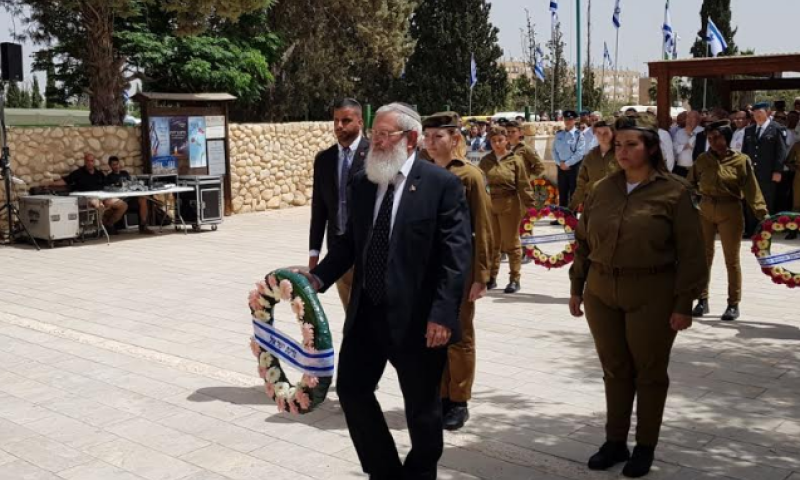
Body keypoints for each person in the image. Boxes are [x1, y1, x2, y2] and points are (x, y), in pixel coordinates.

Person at [306, 103, 471, 480]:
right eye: (375, 134)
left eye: (384, 135)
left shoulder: (441, 185)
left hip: (419, 321)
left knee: (422, 410)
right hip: (368, 313)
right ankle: (384, 471)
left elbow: (455, 257)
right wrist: (318, 278)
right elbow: (349, 244)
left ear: (410, 140)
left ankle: (419, 472)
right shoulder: (365, 182)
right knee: (351, 390)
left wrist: (443, 315)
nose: (375, 141)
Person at [569, 115, 707, 478]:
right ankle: (615, 442)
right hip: (601, 291)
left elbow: (693, 253)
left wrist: (684, 304)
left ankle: (645, 446)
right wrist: (576, 287)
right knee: (614, 370)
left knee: (648, 372)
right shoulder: (601, 188)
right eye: (618, 144)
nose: (623, 151)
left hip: (652, 292)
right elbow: (583, 241)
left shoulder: (675, 191)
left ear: (650, 148)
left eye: (631, 144)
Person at [422, 112, 493, 431]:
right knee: (432, 334)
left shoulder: (470, 176)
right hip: (425, 269)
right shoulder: (419, 174)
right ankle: (439, 395)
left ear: (455, 139)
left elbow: (484, 227)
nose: (431, 142)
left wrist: (482, 275)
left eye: (439, 136)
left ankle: (458, 399)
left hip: (458, 270)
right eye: (428, 135)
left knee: (459, 335)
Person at [688, 121, 768, 321]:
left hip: (730, 209)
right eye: (710, 138)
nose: (713, 141)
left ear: (727, 138)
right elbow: (689, 184)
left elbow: (752, 189)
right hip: (705, 210)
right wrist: (691, 204)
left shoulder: (741, 160)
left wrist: (762, 214)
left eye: (717, 137)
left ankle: (733, 303)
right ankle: (702, 300)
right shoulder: (702, 159)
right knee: (703, 258)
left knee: (731, 260)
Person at [309, 99, 370, 310]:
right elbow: (319, 209)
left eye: (346, 120)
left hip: (368, 251)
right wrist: (314, 252)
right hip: (338, 252)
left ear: (360, 122)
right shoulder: (324, 159)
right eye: (335, 120)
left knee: (370, 315)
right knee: (350, 313)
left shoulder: (374, 155)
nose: (339, 126)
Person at [479, 126, 535, 294]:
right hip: (491, 205)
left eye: (500, 140)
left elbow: (524, 185)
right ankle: (492, 277)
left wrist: (531, 208)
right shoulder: (486, 160)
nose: (497, 144)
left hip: (510, 204)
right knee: (493, 244)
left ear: (506, 141)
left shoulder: (515, 160)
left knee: (511, 244)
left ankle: (514, 278)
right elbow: (481, 183)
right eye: (493, 141)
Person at [742, 102, 787, 236]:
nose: (757, 116)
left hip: (768, 173)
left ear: (767, 113)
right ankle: (751, 229)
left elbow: (781, 152)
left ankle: (765, 229)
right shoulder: (749, 130)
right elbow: (745, 151)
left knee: (766, 201)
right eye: (754, 114)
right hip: (751, 173)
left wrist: (778, 170)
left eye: (760, 113)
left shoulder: (777, 128)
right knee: (750, 200)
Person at [53, 153, 127, 234]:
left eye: (91, 161)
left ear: (94, 162)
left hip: (103, 196)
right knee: (100, 205)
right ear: (85, 162)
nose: (90, 163)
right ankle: (101, 228)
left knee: (123, 205)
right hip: (88, 198)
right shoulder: (78, 173)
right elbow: (64, 181)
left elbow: (106, 185)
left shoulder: (99, 174)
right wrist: (49, 183)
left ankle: (108, 224)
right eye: (88, 161)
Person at [569, 119, 618, 211]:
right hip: (592, 204)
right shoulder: (590, 156)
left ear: (613, 133)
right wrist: (572, 206)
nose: (602, 136)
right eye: (598, 133)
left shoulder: (620, 154)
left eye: (606, 133)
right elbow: (581, 183)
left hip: (615, 205)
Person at [104, 156, 156, 235]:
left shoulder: (125, 173)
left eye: (117, 164)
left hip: (130, 198)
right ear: (110, 166)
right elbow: (110, 190)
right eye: (114, 165)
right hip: (120, 200)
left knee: (143, 198)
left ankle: (143, 226)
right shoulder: (109, 177)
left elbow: (131, 184)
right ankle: (109, 225)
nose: (116, 166)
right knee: (123, 205)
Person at [552, 110, 587, 211]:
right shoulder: (559, 134)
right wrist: (560, 163)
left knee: (573, 192)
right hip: (561, 166)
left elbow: (579, 153)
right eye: (566, 119)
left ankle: (571, 216)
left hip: (573, 167)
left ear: (574, 120)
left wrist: (567, 163)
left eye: (570, 119)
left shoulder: (579, 135)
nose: (567, 121)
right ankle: (561, 216)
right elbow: (554, 151)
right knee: (562, 192)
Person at [672, 111, 703, 177]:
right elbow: (674, 147)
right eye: (688, 117)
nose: (690, 120)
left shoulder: (703, 131)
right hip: (681, 166)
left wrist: (690, 134)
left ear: (698, 120)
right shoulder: (679, 132)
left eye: (693, 117)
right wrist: (684, 146)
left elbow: (699, 147)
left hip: (696, 168)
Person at [785, 141, 800, 240]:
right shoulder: (797, 145)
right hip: (799, 178)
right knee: (796, 205)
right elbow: (788, 161)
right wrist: (795, 168)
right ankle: (793, 230)